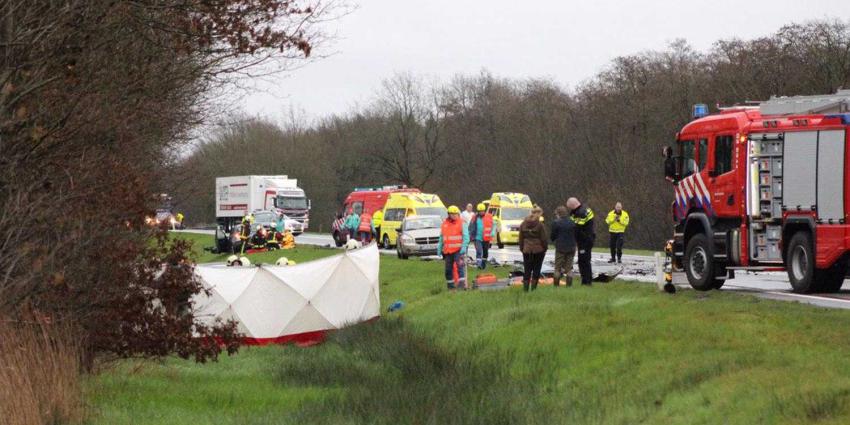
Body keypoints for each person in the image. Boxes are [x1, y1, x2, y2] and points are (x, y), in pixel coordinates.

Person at [437, 205, 470, 291]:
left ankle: (462, 285)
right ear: (449, 214)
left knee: (460, 267)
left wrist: (463, 247)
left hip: (458, 250)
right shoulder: (444, 224)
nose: (455, 215)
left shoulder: (462, 223)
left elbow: (466, 237)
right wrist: (439, 248)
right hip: (448, 251)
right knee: (448, 270)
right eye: (453, 214)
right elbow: (441, 237)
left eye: (456, 214)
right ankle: (450, 286)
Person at [518, 206, 547, 292]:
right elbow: (544, 239)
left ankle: (525, 290)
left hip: (526, 249)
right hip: (538, 250)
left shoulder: (523, 224)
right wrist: (544, 248)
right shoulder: (540, 225)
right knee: (536, 269)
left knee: (527, 269)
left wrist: (522, 248)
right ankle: (533, 290)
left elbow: (520, 238)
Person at [567, 197, 595, 286]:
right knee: (583, 261)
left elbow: (576, 227)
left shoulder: (581, 213)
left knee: (584, 261)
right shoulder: (584, 209)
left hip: (585, 240)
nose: (570, 210)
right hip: (586, 238)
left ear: (573, 205)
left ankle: (587, 282)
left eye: (570, 208)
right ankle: (586, 280)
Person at [550, 206, 577, 287]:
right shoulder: (573, 222)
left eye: (556, 214)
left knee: (557, 268)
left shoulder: (556, 223)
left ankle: (556, 286)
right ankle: (569, 286)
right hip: (571, 247)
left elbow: (553, 236)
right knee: (569, 269)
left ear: (558, 214)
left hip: (560, 248)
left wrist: (554, 239)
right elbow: (576, 235)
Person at [468, 203, 496, 271]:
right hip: (477, 238)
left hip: (486, 238)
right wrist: (469, 235)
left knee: (485, 252)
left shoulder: (489, 216)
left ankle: (483, 264)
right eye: (480, 211)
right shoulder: (474, 217)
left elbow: (494, 224)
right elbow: (470, 227)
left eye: (483, 211)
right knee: (479, 251)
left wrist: (492, 232)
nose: (481, 212)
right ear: (478, 211)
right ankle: (479, 264)